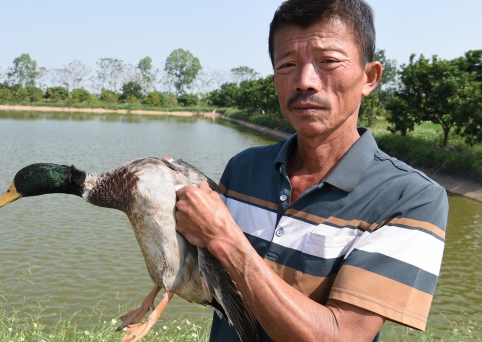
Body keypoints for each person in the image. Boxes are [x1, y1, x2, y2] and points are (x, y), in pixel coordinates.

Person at [175, 0, 448, 341]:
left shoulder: (411, 198)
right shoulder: (242, 168)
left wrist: (224, 239)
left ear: (370, 77)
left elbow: (342, 336)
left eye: (328, 62)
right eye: (287, 64)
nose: (305, 81)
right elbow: (210, 287)